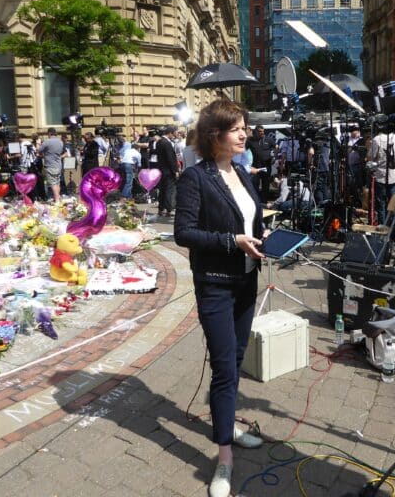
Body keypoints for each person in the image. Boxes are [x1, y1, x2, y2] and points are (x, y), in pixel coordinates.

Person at [174, 99, 266, 497]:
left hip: (247, 281)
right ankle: (224, 458)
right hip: (215, 284)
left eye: (245, 126)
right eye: (235, 128)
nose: (244, 133)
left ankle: (227, 424)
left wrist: (265, 240)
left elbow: (248, 221)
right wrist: (233, 241)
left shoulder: (242, 173)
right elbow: (184, 233)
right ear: (215, 135)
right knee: (225, 367)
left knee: (236, 359)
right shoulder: (196, 177)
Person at [368, 124, 395, 225]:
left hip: (381, 176)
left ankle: (382, 226)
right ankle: (394, 227)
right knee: (393, 204)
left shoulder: (377, 139)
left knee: (381, 204)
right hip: (394, 176)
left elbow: (371, 157)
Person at [248, 124, 275, 202]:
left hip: (266, 166)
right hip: (255, 167)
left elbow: (276, 147)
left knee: (266, 185)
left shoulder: (268, 139)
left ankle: (264, 201)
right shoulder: (250, 140)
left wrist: (274, 156)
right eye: (260, 131)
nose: (262, 133)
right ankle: (256, 201)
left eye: (263, 131)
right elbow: (243, 151)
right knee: (255, 185)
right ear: (255, 132)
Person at [156, 125, 179, 217]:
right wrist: (175, 170)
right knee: (170, 190)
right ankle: (169, 210)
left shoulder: (159, 142)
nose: (174, 135)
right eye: (174, 133)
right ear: (170, 133)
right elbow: (170, 159)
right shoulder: (167, 143)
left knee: (162, 190)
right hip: (169, 171)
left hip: (161, 169)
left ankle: (160, 209)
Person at [39, 128, 65, 203]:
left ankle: (57, 200)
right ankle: (58, 197)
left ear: (49, 133)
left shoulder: (47, 141)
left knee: (53, 183)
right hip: (58, 165)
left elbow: (39, 150)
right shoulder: (60, 142)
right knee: (57, 182)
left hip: (50, 165)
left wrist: (38, 143)